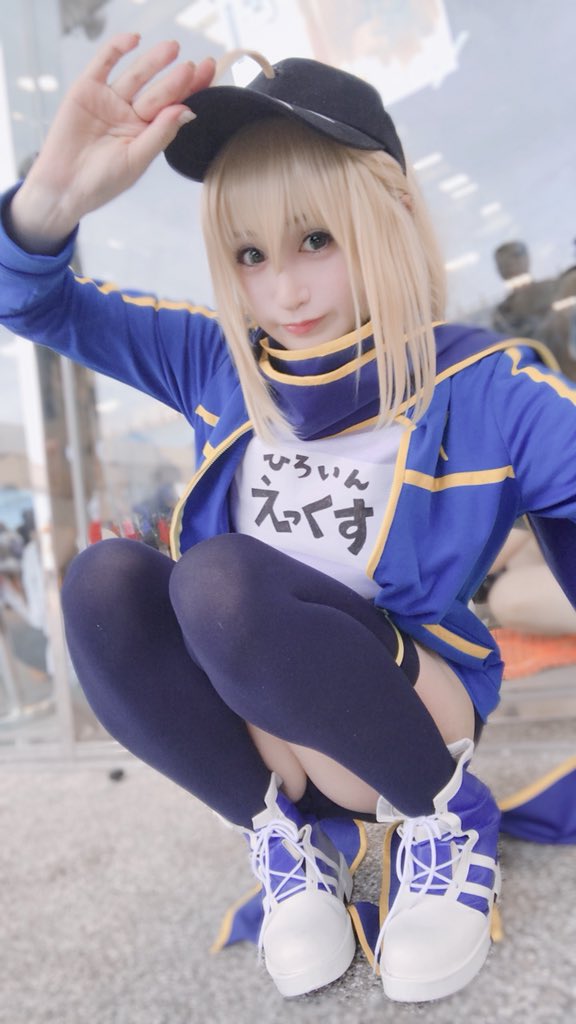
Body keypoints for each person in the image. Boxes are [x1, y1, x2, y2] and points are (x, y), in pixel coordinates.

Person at [1, 33, 575, 1004]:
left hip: (410, 720)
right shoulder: (220, 363)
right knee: (103, 582)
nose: (284, 289)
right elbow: (36, 303)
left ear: (388, 216)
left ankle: (446, 823)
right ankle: (286, 842)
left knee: (219, 577)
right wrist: (51, 202)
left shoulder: (485, 384)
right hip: (268, 725)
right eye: (250, 254)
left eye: (316, 240)